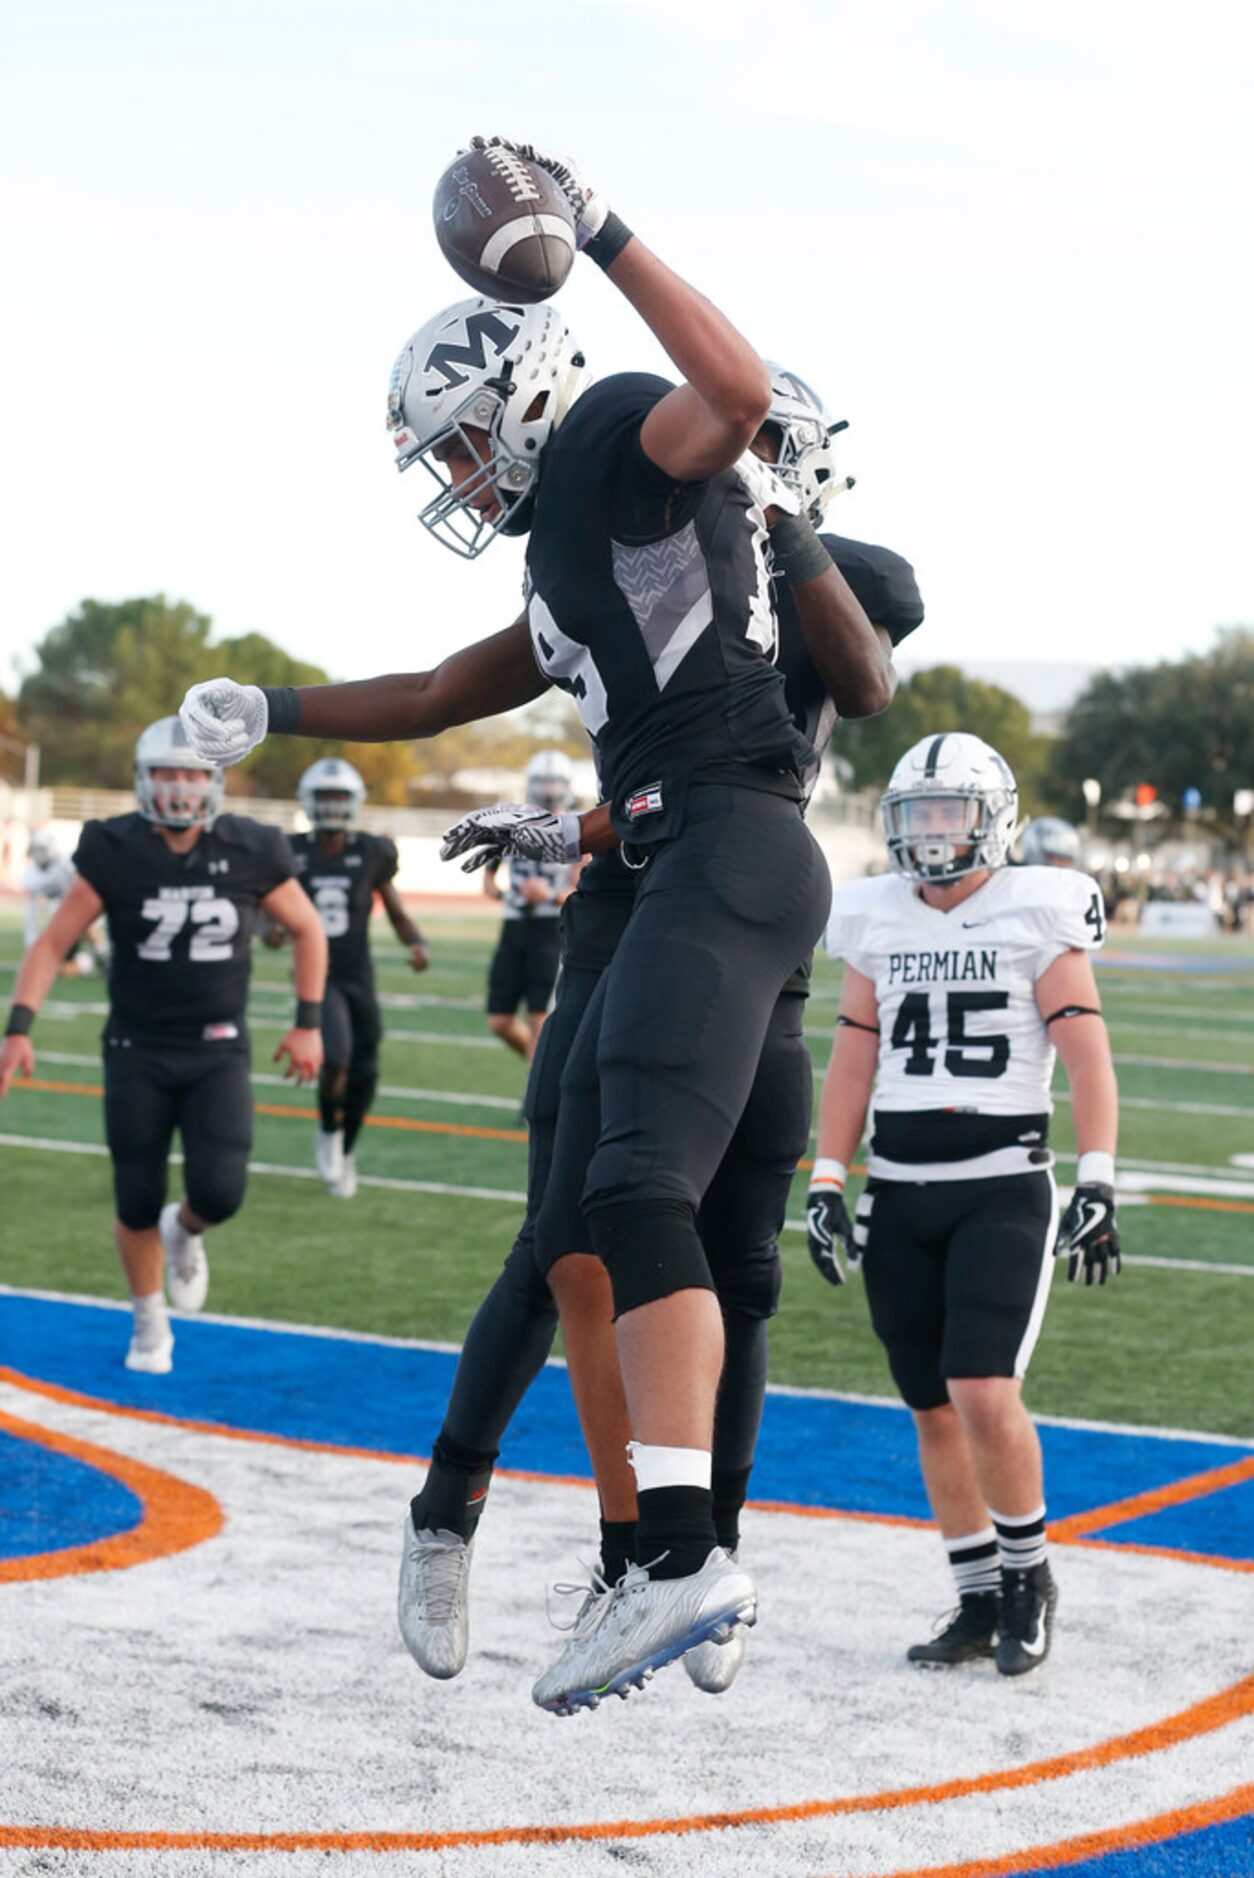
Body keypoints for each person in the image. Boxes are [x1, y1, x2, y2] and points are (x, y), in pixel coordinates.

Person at [181, 332, 920, 1706]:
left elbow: (850, 672)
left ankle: (683, 1556)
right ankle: (501, 1522)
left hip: (726, 882)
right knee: (572, 1230)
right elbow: (457, 689)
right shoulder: (604, 535)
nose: (457, 478)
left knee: (717, 1255)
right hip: (649, 886)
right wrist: (279, 708)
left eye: (461, 444)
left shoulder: (790, 557)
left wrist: (784, 518)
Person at [807, 731, 1120, 1677]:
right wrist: (828, 1177)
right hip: (898, 1189)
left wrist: (1098, 1176)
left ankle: (1030, 1578)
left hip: (1000, 1181)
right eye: (920, 814)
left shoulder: (1039, 911)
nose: (935, 834)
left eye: (952, 813)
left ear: (996, 821)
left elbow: (1087, 1058)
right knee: (931, 1406)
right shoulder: (875, 918)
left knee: (985, 1390)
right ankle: (977, 1595)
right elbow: (855, 1057)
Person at [0, 717, 326, 1373]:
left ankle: (187, 1232)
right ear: (144, 780)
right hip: (136, 1046)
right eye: (166, 773)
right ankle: (149, 1323)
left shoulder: (252, 846)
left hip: (218, 1046)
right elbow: (53, 942)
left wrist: (308, 1020)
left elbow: (307, 929)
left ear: (214, 780)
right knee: (135, 1196)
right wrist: (19, 1029)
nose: (179, 788)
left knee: (221, 1190)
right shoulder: (113, 845)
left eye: (191, 773)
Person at [283, 756, 429, 1199]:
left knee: (366, 1070)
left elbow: (392, 903)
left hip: (357, 972)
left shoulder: (372, 851)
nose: (331, 807)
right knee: (337, 1056)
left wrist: (415, 941)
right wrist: (267, 928)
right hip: (316, 973)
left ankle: (345, 1148)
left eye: (339, 797)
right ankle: (329, 1131)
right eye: (324, 798)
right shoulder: (292, 851)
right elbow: (269, 904)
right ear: (308, 802)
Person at [482, 750, 580, 1063]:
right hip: (514, 925)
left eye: (555, 783)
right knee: (499, 1020)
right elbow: (489, 883)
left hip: (551, 928)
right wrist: (505, 896)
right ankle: (538, 1068)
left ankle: (532, 1103)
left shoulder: (577, 826)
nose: (549, 790)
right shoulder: (509, 824)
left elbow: (581, 890)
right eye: (543, 783)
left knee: (539, 1017)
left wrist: (548, 895)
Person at [22, 829, 107, 974]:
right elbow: (32, 912)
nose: (39, 854)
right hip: (58, 921)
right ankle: (93, 960)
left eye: (42, 849)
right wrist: (31, 940)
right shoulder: (30, 877)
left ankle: (106, 953)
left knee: (85, 926)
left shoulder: (67, 864)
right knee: (63, 970)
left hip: (81, 910)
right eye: (36, 850)